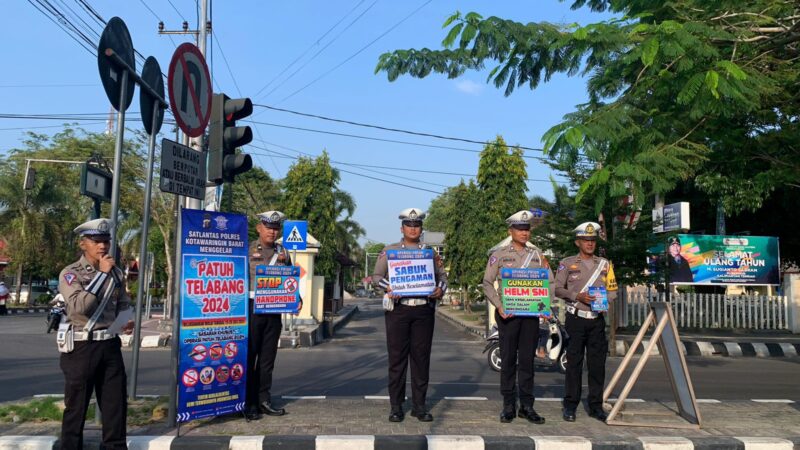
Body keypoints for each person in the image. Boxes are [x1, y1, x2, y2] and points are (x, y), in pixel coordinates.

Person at [58, 218, 134, 450]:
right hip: (82, 346)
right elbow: (79, 307)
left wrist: (126, 319)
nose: (102, 246)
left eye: (106, 240)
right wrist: (101, 274)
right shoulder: (71, 273)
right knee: (76, 405)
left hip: (109, 344)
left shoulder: (116, 273)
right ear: (83, 244)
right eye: (96, 241)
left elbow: (123, 302)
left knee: (115, 404)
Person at [373, 208, 447, 422]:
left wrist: (440, 289)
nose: (413, 228)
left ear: (421, 228)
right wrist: (389, 286)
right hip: (399, 309)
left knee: (421, 360)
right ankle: (396, 407)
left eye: (417, 225)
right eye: (409, 225)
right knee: (397, 360)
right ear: (402, 228)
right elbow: (377, 276)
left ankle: (419, 406)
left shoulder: (430, 252)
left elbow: (442, 277)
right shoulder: (390, 251)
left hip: (424, 309)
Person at [482, 210, 550, 424]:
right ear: (510, 230)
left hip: (530, 317)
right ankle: (509, 405)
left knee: (528, 361)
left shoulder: (538, 256)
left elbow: (550, 282)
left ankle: (527, 406)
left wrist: (545, 304)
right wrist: (500, 306)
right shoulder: (500, 255)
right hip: (508, 316)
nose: (524, 232)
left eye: (527, 229)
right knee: (509, 360)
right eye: (520, 229)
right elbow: (487, 283)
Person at [555, 221, 617, 423]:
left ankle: (596, 406)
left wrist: (604, 300)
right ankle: (570, 405)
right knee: (574, 364)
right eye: (585, 240)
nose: (590, 243)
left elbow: (613, 290)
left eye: (592, 240)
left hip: (597, 320)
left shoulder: (605, 265)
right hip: (576, 319)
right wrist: (576, 296)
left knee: (597, 364)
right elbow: (556, 288)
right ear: (577, 242)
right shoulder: (567, 263)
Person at [245, 210, 300, 420]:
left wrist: (297, 298)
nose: (272, 231)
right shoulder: (247, 249)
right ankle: (249, 403)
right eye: (268, 227)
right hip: (251, 310)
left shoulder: (283, 251)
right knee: (250, 357)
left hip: (274, 312)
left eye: (276, 228)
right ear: (259, 228)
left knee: (268, 360)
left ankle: (264, 400)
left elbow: (289, 277)